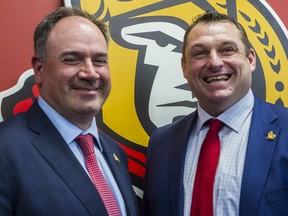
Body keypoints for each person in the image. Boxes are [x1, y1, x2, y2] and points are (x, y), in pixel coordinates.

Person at [141, 10, 288, 216]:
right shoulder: (161, 142)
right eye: (200, 53)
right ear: (184, 67)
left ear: (251, 59)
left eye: (227, 49)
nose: (215, 62)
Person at [0, 7, 139, 216]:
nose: (91, 73)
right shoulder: (5, 150)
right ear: (39, 70)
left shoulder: (114, 152)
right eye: (72, 59)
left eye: (100, 60)